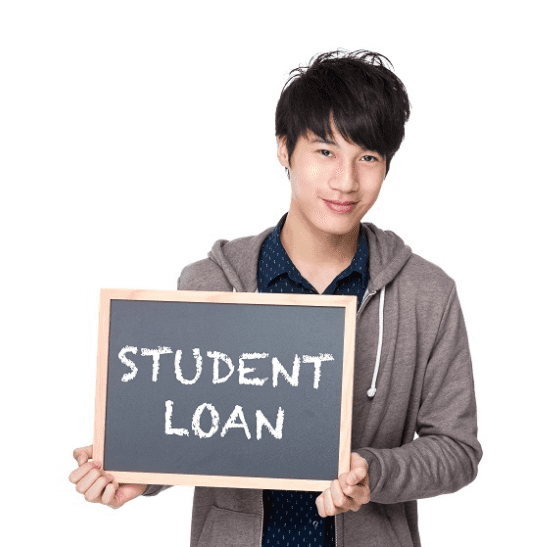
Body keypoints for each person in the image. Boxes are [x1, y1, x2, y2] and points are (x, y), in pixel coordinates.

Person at [70, 49, 482, 547]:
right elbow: (198, 427)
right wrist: (140, 472)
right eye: (325, 152)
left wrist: (375, 472)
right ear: (285, 150)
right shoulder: (211, 283)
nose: (345, 181)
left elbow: (458, 449)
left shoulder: (426, 295)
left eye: (367, 157)